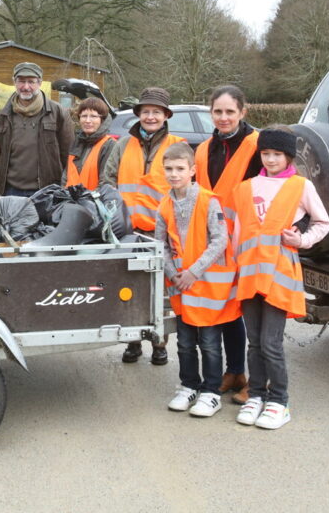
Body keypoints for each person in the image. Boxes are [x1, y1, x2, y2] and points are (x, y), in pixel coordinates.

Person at [230, 126, 329, 429]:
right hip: (248, 275)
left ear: (288, 157)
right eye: (266, 153)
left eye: (277, 154)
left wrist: (302, 241)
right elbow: (237, 233)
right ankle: (256, 395)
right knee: (254, 343)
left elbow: (323, 222)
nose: (271, 159)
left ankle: (279, 401)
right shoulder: (247, 187)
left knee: (270, 342)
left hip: (278, 276)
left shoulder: (301, 186)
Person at [103, 87, 186, 365]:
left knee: (161, 293)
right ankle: (132, 342)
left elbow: (186, 189)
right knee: (129, 290)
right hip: (127, 231)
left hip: (161, 233)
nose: (151, 116)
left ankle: (160, 343)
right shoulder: (123, 144)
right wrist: (114, 216)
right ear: (138, 114)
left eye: (156, 112)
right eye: (146, 111)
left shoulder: (176, 144)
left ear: (165, 115)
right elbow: (107, 180)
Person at [156, 142, 239, 417]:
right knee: (184, 342)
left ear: (192, 170)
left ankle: (211, 391)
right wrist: (173, 273)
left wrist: (194, 271)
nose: (173, 174)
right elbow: (162, 245)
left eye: (180, 169)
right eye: (168, 169)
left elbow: (219, 240)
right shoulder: (165, 204)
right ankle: (188, 385)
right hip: (181, 287)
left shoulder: (208, 200)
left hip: (207, 288)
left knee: (210, 344)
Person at [195, 85, 263, 404]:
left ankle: (259, 382)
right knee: (227, 310)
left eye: (229, 112)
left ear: (242, 112)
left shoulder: (258, 146)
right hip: (214, 243)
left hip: (249, 242)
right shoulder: (203, 149)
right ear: (211, 113)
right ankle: (235, 371)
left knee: (254, 313)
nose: (223, 117)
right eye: (218, 112)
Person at [0, 62, 73, 197]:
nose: (26, 87)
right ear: (14, 82)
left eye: (31, 81)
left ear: (40, 83)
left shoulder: (57, 112)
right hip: (11, 190)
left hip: (47, 190)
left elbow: (68, 152)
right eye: (21, 81)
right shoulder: (3, 114)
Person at [63, 97, 117, 190]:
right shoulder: (76, 142)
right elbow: (65, 178)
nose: (87, 121)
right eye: (84, 116)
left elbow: (106, 183)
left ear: (102, 120)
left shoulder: (109, 145)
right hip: (70, 202)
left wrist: (87, 201)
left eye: (93, 116)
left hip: (94, 202)